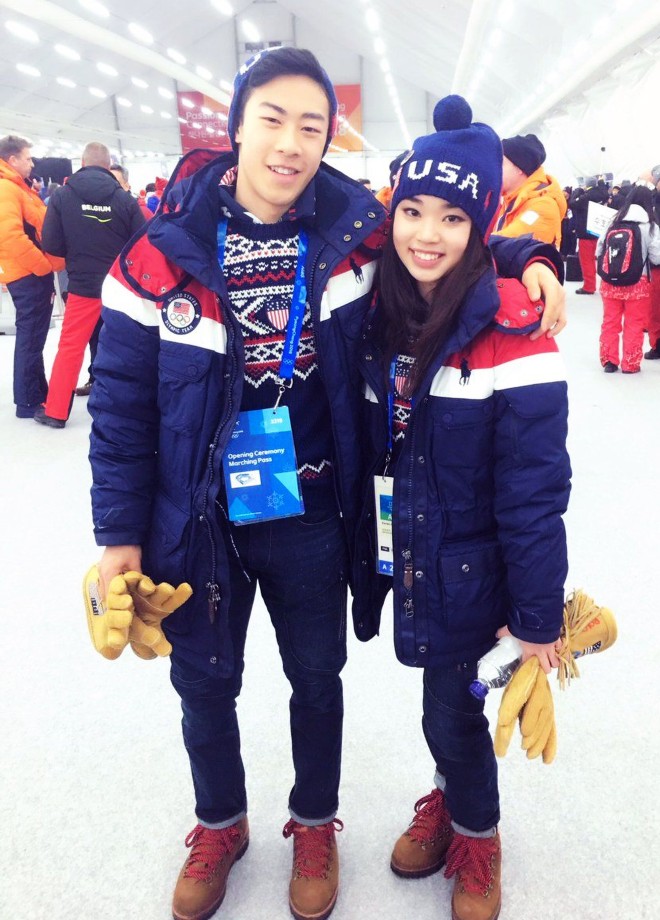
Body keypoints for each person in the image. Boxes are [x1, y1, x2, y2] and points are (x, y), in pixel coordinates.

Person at [88, 48, 566, 920]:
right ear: (234, 126)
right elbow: (119, 409)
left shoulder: (353, 230)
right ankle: (220, 822)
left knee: (317, 676)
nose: (291, 142)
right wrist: (118, 535)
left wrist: (527, 253)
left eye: (312, 125)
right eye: (272, 118)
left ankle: (314, 820)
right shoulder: (158, 257)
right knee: (202, 683)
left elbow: (446, 231)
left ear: (326, 140)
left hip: (309, 507)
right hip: (197, 519)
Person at [353, 96, 571, 920]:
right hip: (408, 547)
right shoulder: (380, 303)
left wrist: (538, 615)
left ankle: (478, 833)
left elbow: (536, 490)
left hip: (476, 566)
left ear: (480, 225)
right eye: (412, 210)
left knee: (451, 705)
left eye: (453, 216)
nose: (427, 234)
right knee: (441, 703)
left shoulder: (515, 329)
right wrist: (528, 246)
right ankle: (450, 794)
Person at [36, 142, 144, 427]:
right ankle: (132, 409)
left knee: (70, 347)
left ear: (81, 163)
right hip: (121, 288)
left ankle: (56, 412)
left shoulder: (61, 197)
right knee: (128, 347)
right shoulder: (124, 199)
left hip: (83, 286)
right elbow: (142, 244)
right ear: (109, 166)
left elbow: (51, 244)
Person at [0, 134, 63, 418]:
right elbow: (9, 236)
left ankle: (36, 393)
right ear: (12, 160)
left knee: (34, 336)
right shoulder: (6, 189)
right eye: (27, 158)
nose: (31, 163)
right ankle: (27, 401)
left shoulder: (19, 188)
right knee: (30, 336)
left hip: (30, 272)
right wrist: (42, 265)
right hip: (27, 274)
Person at [596, 184, 660, 374]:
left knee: (610, 322)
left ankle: (609, 361)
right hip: (638, 284)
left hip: (610, 283)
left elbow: (599, 250)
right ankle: (630, 364)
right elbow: (657, 257)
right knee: (634, 324)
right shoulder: (650, 226)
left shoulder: (613, 221)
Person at [495, 132, 566, 247]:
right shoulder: (510, 200)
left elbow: (505, 244)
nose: (495, 168)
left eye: (501, 163)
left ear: (520, 168)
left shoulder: (544, 206)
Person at [570, 177, 610, 294]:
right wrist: (602, 183)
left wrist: (577, 191)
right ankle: (606, 285)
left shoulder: (586, 197)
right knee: (603, 260)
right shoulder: (602, 194)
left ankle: (589, 286)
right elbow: (604, 192)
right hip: (600, 232)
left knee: (587, 261)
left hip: (585, 233)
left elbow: (572, 204)